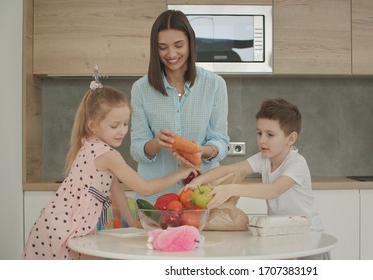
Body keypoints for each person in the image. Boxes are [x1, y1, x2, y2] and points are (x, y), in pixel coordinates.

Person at [22, 77, 196, 260]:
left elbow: (115, 188)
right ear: (92, 126)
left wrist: (132, 221)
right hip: (66, 229)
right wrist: (180, 172)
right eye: (114, 125)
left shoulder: (89, 145)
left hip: (56, 223)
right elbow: (145, 188)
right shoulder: (107, 155)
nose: (122, 131)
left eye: (125, 124)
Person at [184, 98, 329, 260]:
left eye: (270, 135)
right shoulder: (264, 159)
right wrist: (198, 181)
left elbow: (273, 190)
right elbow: (228, 169)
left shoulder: (296, 163)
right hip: (284, 236)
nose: (262, 140)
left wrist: (231, 189)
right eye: (259, 133)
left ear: (291, 138)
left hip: (309, 240)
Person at [130, 10, 229, 205]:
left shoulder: (215, 85)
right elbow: (136, 148)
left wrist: (203, 150)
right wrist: (156, 144)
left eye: (178, 45)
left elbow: (221, 141)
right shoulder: (141, 89)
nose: (171, 54)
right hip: (155, 197)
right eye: (163, 47)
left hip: (201, 195)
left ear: (190, 44)